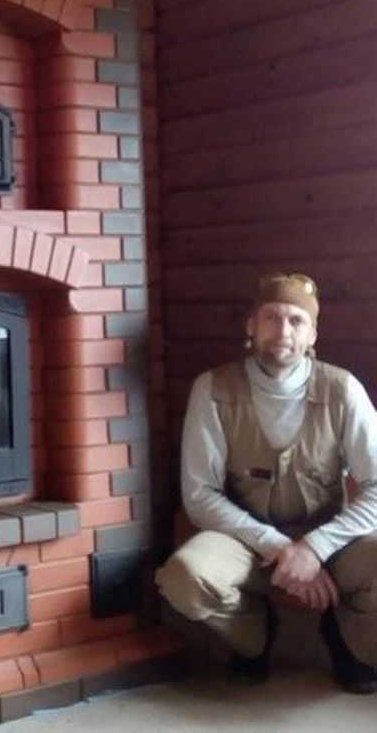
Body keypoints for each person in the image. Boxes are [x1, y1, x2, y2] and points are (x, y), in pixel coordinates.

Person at [155, 272, 377, 692]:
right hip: (246, 544)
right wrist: (278, 547)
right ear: (251, 326)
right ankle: (253, 637)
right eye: (271, 317)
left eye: (296, 320)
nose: (283, 330)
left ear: (313, 334)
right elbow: (199, 495)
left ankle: (350, 641)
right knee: (183, 578)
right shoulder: (213, 389)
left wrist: (314, 548)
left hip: (332, 544)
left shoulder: (343, 389)